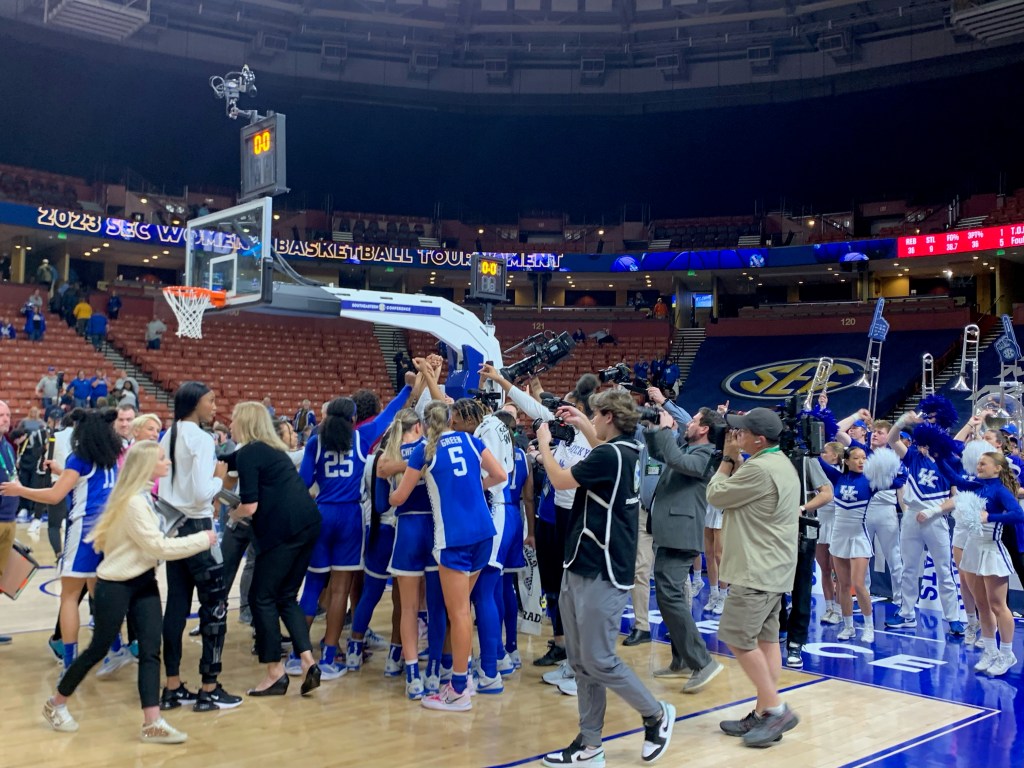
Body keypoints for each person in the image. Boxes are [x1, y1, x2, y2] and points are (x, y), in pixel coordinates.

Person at [40, 441, 217, 742]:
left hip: (144, 582)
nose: (168, 463)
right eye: (162, 459)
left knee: (150, 651)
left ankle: (152, 722)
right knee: (98, 648)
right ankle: (56, 704)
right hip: (116, 586)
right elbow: (157, 546)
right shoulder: (134, 502)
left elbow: (152, 541)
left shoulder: (144, 496)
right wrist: (204, 538)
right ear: (147, 465)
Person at [535, 389, 675, 767]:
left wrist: (545, 444)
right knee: (581, 662)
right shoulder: (627, 450)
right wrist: (581, 424)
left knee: (598, 659)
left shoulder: (611, 455)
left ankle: (656, 715)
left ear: (609, 416)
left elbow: (561, 479)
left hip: (603, 566)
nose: (592, 420)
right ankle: (590, 742)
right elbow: (601, 447)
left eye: (595, 415)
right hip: (582, 560)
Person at [389, 399, 506, 712]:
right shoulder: (471, 439)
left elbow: (400, 497)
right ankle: (462, 677)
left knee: (459, 613)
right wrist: (476, 486)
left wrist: (389, 492)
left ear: (426, 425)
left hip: (453, 539)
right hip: (484, 534)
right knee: (463, 610)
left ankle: (457, 689)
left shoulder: (424, 450)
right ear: (453, 419)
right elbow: (500, 475)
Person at [705, 407, 801, 748]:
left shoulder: (759, 469)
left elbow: (716, 496)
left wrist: (728, 461)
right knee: (767, 640)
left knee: (736, 636)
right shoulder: (781, 463)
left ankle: (776, 708)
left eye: (741, 432)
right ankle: (764, 712)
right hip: (774, 567)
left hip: (755, 569)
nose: (735, 436)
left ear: (758, 439)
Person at [1, 409, 123, 676]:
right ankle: (116, 647)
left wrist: (20, 490)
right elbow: (83, 482)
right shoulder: (111, 458)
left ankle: (70, 664)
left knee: (68, 596)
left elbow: (56, 495)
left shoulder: (79, 458)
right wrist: (62, 470)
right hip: (107, 533)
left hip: (83, 533)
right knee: (96, 594)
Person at [228, 402, 323, 697]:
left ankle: (274, 672)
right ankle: (308, 662)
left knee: (261, 597)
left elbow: (251, 505)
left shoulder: (249, 452)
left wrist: (233, 514)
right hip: (308, 524)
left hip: (283, 531)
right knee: (285, 596)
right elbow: (229, 460)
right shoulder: (272, 450)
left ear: (243, 422)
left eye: (233, 419)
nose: (230, 424)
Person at [158, 382, 240, 712]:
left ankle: (172, 686)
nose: (214, 405)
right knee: (215, 607)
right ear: (194, 404)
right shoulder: (202, 439)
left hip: (173, 529)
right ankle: (209, 688)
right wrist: (220, 478)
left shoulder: (168, 435)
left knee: (176, 607)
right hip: (199, 529)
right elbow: (200, 493)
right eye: (210, 400)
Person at [644, 406, 724, 691]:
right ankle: (681, 658)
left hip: (682, 533)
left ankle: (702, 662)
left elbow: (677, 461)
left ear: (704, 429)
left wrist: (667, 431)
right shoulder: (689, 450)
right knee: (670, 598)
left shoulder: (707, 454)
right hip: (671, 531)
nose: (687, 424)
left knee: (670, 598)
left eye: (693, 421)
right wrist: (654, 431)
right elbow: (661, 454)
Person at [949, 451, 1023, 676]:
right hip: (973, 548)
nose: (978, 466)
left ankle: (1007, 653)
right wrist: (938, 455)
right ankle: (990, 650)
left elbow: (1018, 514)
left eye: (983, 463)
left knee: (998, 605)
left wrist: (990, 518)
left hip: (992, 549)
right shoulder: (977, 486)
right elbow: (956, 479)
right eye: (978, 463)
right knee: (981, 604)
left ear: (997, 468)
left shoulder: (1000, 491)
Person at [0, 400, 17, 645]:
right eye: (1, 414)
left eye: (7, 414)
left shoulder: (8, 446)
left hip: (9, 520)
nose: (5, 418)